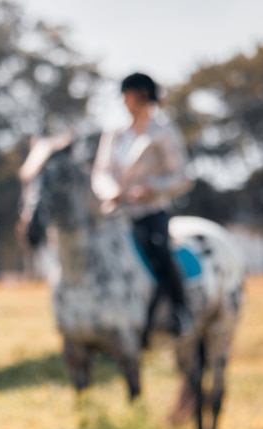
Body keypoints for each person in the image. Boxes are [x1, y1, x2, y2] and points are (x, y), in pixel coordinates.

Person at [92, 72, 195, 337]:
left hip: (149, 212)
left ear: (141, 96)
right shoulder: (114, 134)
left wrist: (152, 189)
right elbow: (101, 171)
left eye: (127, 95)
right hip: (114, 213)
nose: (124, 102)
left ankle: (179, 310)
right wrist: (110, 190)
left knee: (160, 252)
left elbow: (182, 176)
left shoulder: (164, 133)